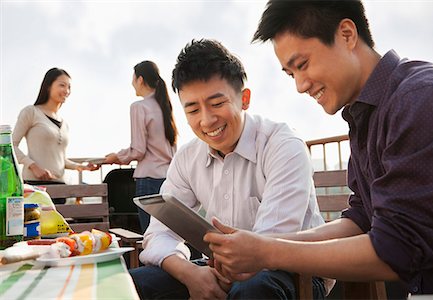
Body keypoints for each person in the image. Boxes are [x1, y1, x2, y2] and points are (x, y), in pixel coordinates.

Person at [204, 0, 433, 296]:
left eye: (302, 65)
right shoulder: (367, 112)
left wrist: (266, 252)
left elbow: (397, 248)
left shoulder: (420, 97)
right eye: (290, 74)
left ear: (346, 34)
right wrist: (260, 246)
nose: (300, 85)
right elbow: (361, 219)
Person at [129, 39, 329, 300]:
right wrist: (191, 274)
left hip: (293, 271)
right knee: (133, 284)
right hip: (218, 267)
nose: (206, 120)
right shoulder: (188, 157)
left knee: (253, 289)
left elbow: (273, 241)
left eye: (217, 103)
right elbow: (158, 233)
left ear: (244, 99)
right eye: (192, 109)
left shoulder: (282, 145)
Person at [104, 61, 178, 233]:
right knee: (167, 236)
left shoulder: (139, 107)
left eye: (133, 78)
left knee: (151, 237)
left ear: (140, 79)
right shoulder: (164, 106)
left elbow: (138, 150)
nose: (132, 83)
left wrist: (115, 157)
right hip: (168, 179)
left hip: (148, 181)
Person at [12, 68, 99, 204]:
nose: (66, 91)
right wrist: (33, 166)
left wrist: (80, 166)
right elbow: (11, 145)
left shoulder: (64, 123)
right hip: (35, 185)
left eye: (69, 87)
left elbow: (60, 158)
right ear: (48, 86)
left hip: (60, 186)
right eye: (62, 85)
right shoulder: (31, 112)